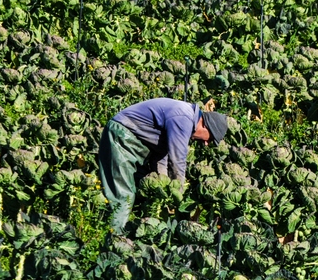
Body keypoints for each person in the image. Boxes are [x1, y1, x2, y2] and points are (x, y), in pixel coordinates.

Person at [98, 97, 228, 235]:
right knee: (123, 194)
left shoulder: (185, 118)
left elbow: (162, 156)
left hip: (131, 140)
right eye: (210, 139)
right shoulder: (184, 118)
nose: (206, 144)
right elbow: (177, 161)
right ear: (205, 126)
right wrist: (178, 196)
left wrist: (164, 186)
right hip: (122, 136)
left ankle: (121, 229)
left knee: (142, 189)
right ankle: (113, 237)